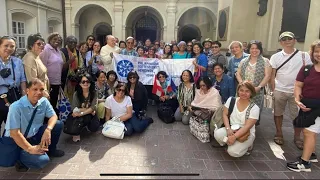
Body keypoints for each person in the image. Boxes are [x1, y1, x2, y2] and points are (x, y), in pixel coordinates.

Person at [3, 78, 64, 171]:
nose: (39, 92)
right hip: (18, 141)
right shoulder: (15, 107)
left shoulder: (43, 101)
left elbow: (53, 116)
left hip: (34, 135)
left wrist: (48, 130)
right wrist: (30, 149)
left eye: (41, 89)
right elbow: (14, 133)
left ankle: (51, 150)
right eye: (35, 89)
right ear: (27, 90)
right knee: (42, 161)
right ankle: (20, 159)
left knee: (58, 124)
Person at [270, 32, 312, 148]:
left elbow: (308, 73)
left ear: (294, 40)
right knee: (278, 113)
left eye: (289, 38)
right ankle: (279, 133)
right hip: (280, 89)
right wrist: (273, 90)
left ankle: (297, 137)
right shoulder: (275, 57)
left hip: (297, 92)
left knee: (298, 115)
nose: (287, 41)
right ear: (280, 42)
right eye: (284, 39)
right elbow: (272, 75)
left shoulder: (304, 56)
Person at [287, 40, 320, 172]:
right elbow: (298, 85)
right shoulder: (307, 69)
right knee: (310, 132)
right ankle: (310, 154)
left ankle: (304, 163)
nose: (319, 54)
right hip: (306, 105)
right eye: (317, 51)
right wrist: (297, 99)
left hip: (318, 108)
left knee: (308, 132)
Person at [214, 81, 259, 157]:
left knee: (233, 152)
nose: (244, 93)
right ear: (238, 91)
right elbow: (225, 114)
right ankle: (231, 142)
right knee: (218, 135)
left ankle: (247, 145)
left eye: (247, 91)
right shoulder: (231, 100)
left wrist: (234, 137)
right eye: (241, 90)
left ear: (251, 92)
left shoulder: (254, 108)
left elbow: (247, 127)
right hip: (231, 129)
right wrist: (228, 129)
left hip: (245, 133)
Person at [236, 40, 272, 124]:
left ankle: (251, 127)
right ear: (249, 49)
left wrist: (259, 87)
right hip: (243, 90)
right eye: (252, 48)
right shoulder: (243, 61)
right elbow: (238, 73)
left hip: (256, 91)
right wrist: (242, 84)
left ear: (260, 49)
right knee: (241, 108)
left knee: (254, 111)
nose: (254, 50)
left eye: (257, 48)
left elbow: (267, 76)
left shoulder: (265, 61)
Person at [0, 36, 27, 132]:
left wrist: (24, 96)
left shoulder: (17, 61)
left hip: (13, 96)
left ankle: (8, 145)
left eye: (12, 46)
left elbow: (23, 79)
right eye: (6, 45)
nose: (9, 48)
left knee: (13, 126)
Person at [69, 73, 99, 142]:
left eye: (87, 81)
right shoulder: (76, 94)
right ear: (80, 84)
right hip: (80, 115)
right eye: (83, 82)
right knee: (78, 116)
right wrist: (88, 109)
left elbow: (94, 107)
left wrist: (81, 112)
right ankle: (77, 132)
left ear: (90, 83)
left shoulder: (94, 93)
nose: (85, 83)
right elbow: (75, 108)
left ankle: (85, 127)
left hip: (87, 115)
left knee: (94, 127)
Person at [39, 33, 64, 112]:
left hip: (57, 81)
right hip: (49, 82)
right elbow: (42, 66)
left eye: (59, 40)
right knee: (48, 104)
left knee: (53, 103)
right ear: (50, 39)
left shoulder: (58, 50)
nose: (57, 41)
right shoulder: (46, 49)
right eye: (55, 39)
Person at [23, 34, 49, 99]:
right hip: (37, 95)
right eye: (39, 44)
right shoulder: (30, 58)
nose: (42, 46)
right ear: (31, 45)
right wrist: (44, 94)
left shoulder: (36, 56)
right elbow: (33, 81)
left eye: (43, 44)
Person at [60, 36, 82, 102]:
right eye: (71, 42)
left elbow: (80, 65)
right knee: (65, 96)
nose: (73, 44)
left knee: (74, 96)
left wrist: (77, 72)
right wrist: (70, 60)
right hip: (65, 78)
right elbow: (62, 67)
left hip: (75, 77)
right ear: (67, 43)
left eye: (74, 42)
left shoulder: (77, 52)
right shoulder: (62, 52)